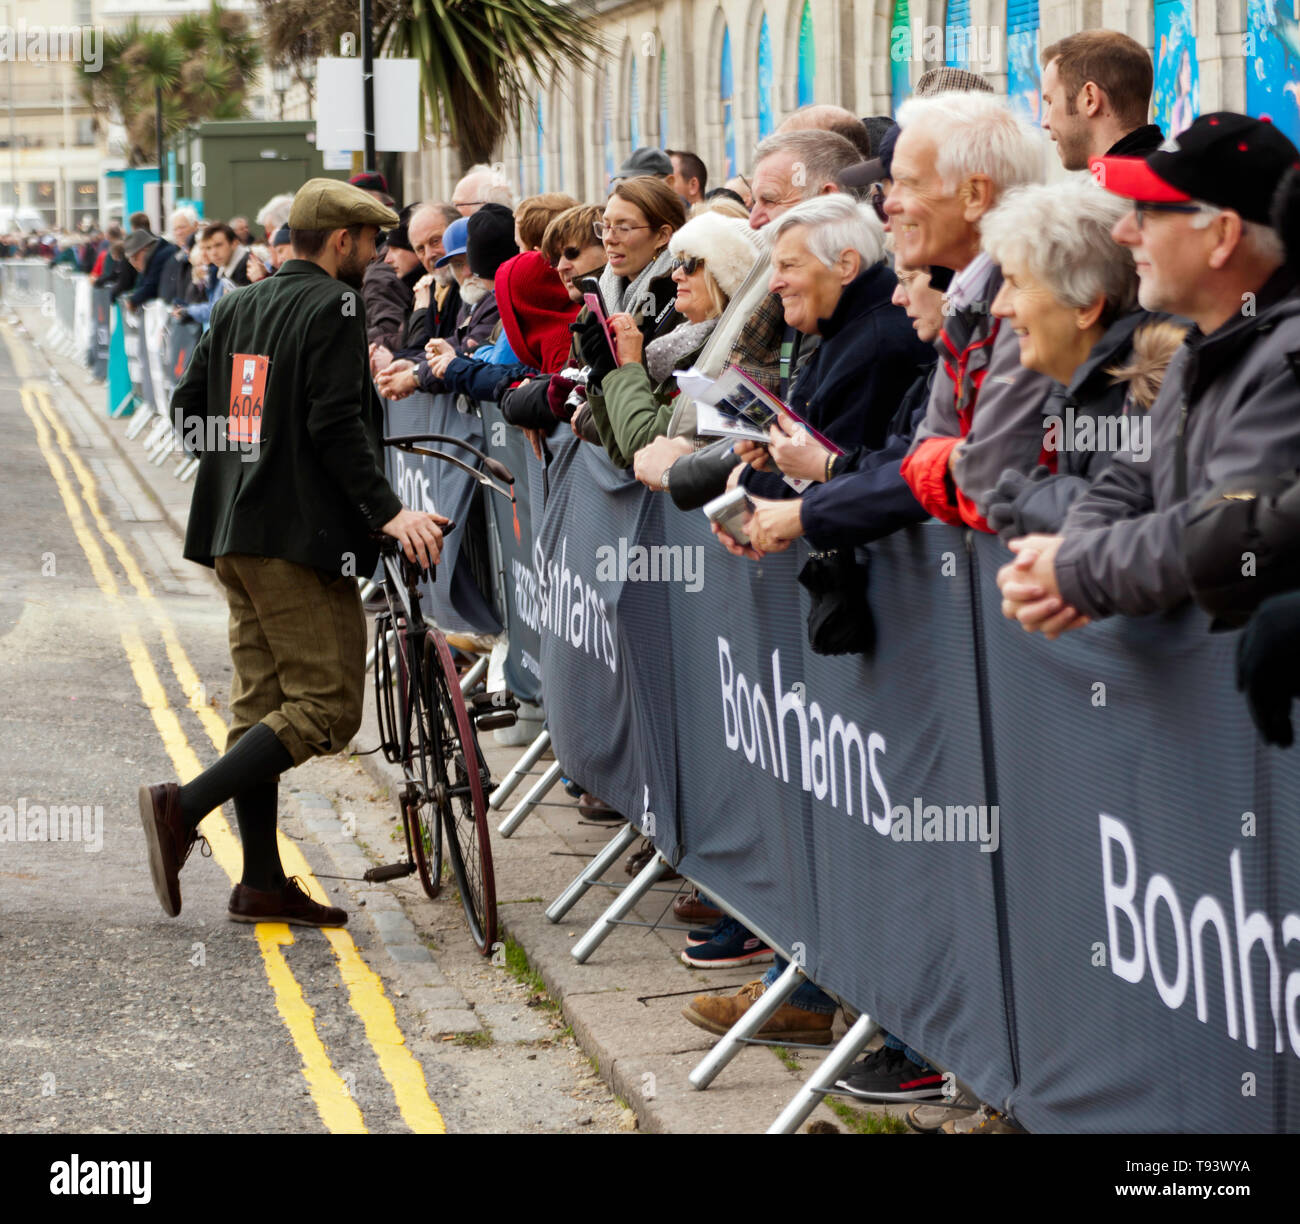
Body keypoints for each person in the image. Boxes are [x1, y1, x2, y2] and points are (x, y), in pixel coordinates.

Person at [145, 179, 446, 926]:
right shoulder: (335, 306)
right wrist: (390, 511)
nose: (377, 256)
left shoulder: (242, 301)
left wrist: (243, 461)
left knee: (260, 710)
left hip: (232, 536)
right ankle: (183, 808)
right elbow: (335, 425)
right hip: (295, 542)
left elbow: (189, 410)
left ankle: (260, 884)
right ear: (342, 240)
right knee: (326, 708)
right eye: (372, 243)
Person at [997, 113, 1300, 637]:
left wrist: (1075, 572)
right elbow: (1128, 480)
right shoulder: (1195, 348)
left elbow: (1226, 532)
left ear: (1222, 234)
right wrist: (1071, 560)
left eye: (1147, 212)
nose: (1123, 231)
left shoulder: (1287, 355)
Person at [978, 179, 1187, 539]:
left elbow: (1153, 537)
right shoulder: (1083, 386)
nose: (999, 307)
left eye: (1015, 282)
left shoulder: (1157, 384)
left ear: (1086, 305)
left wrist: (1045, 504)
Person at [890, 91, 1055, 533]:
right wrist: (956, 458)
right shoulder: (970, 295)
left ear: (975, 195)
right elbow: (916, 457)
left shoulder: (1038, 301)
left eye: (909, 183)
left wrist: (953, 460)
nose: (890, 203)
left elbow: (989, 483)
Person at [590, 211, 760, 467]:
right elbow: (621, 452)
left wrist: (629, 366)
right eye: (676, 263)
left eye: (690, 264)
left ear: (724, 276)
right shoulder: (679, 345)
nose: (676, 275)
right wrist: (604, 374)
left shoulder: (731, 353)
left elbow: (640, 441)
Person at [1040, 30, 1164, 169]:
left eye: (1050, 102)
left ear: (1090, 99)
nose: (1044, 122)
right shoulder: (1178, 177)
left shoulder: (1117, 188)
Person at [121, 229, 178, 310]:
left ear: (145, 249)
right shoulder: (153, 257)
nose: (133, 264)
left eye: (135, 258)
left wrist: (133, 301)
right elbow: (142, 283)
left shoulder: (161, 256)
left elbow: (151, 286)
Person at [201, 222, 251, 287]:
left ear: (234, 243)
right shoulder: (224, 270)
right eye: (208, 248)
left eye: (218, 245)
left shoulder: (248, 267)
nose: (213, 253)